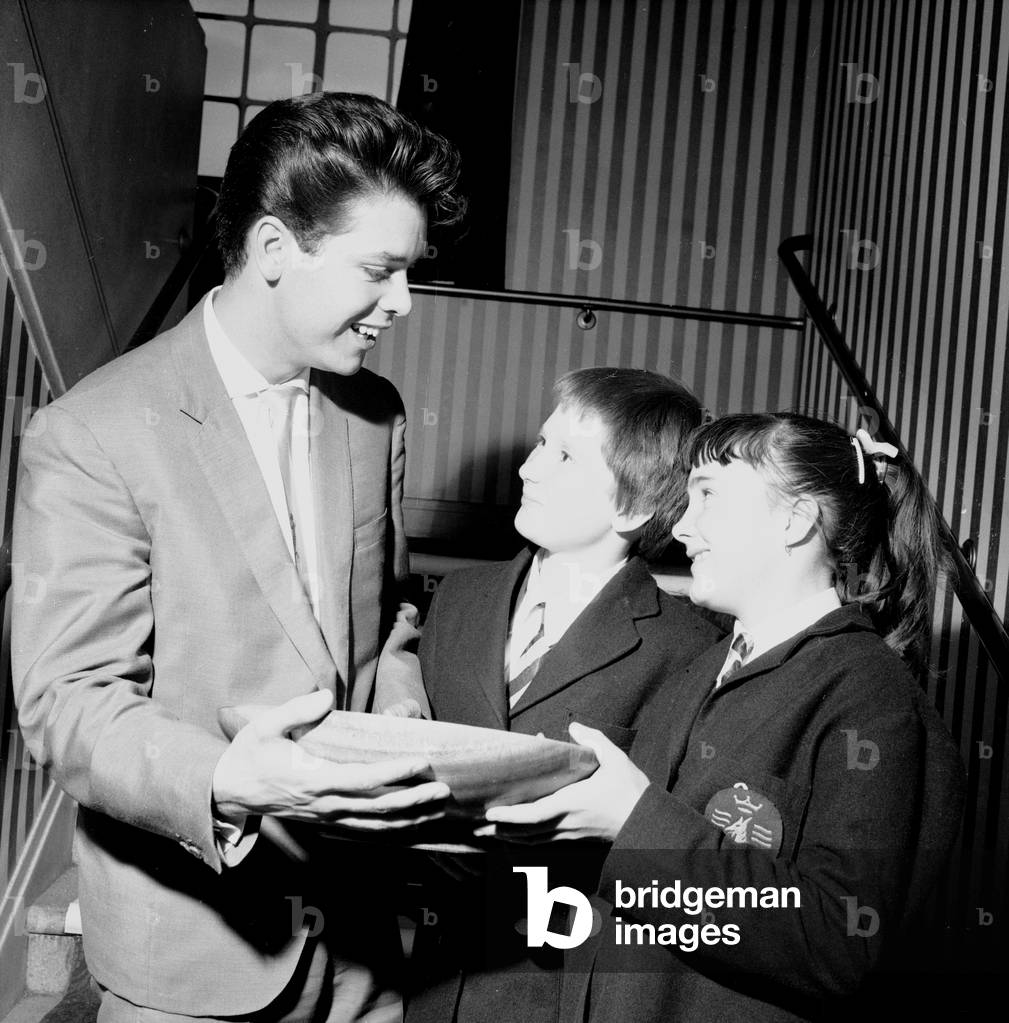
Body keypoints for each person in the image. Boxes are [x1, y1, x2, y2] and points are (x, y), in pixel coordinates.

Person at [12, 92, 465, 1022]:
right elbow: (67, 702)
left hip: (362, 947)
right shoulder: (90, 432)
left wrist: (400, 703)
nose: (403, 303)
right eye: (379, 270)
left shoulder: (373, 414)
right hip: (194, 952)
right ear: (271, 251)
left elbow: (389, 618)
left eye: (409, 272)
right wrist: (223, 779)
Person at [484, 412, 966, 1021]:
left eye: (708, 495)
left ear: (795, 520)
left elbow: (840, 943)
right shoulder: (699, 670)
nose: (682, 527)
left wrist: (634, 820)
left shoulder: (871, 696)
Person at [404, 368, 721, 1023]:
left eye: (564, 456)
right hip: (430, 983)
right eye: (540, 444)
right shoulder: (459, 601)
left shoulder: (687, 649)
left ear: (632, 508)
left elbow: (676, 854)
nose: (527, 468)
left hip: (563, 993)